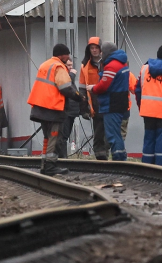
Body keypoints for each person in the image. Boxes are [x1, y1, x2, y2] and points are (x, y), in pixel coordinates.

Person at [28, 43, 78, 175]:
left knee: (47, 137)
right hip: (53, 108)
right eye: (67, 55)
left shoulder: (45, 65)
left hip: (41, 108)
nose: (68, 57)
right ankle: (50, 166)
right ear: (62, 54)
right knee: (54, 137)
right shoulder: (59, 66)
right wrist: (79, 97)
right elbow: (65, 88)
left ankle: (44, 165)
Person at [88, 42, 130, 161]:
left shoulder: (111, 66)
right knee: (117, 133)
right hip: (121, 102)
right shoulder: (122, 63)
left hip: (111, 104)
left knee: (112, 134)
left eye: (102, 51)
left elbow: (104, 85)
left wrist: (93, 88)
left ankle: (118, 158)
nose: (101, 54)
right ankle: (121, 157)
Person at [78, 36, 108, 160]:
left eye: (96, 48)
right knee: (99, 130)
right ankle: (100, 155)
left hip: (106, 99)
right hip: (95, 102)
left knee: (108, 130)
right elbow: (82, 87)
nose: (94, 50)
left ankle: (105, 151)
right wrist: (83, 107)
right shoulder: (85, 66)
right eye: (92, 48)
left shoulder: (107, 62)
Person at [55, 55, 87, 158]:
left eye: (71, 65)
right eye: (68, 65)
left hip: (72, 111)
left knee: (65, 135)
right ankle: (62, 158)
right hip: (65, 111)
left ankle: (63, 158)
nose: (70, 68)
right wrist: (71, 75)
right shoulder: (65, 76)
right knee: (63, 136)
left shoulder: (69, 77)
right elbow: (66, 87)